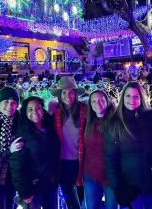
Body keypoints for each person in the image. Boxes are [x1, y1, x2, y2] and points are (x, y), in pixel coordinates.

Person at [104, 81, 152, 208]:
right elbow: (110, 158)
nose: (132, 100)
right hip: (129, 187)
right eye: (128, 96)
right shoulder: (115, 122)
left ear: (141, 98)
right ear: (122, 97)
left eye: (136, 96)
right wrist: (118, 187)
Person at [10, 96, 61, 209]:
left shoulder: (50, 127)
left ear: (43, 109)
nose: (35, 112)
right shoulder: (22, 133)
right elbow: (16, 165)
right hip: (33, 188)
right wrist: (25, 193)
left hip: (51, 184)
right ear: (25, 112)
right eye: (30, 109)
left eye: (38, 108)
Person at [50, 76, 87, 209]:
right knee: (69, 195)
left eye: (71, 92)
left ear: (76, 94)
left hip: (81, 160)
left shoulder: (85, 109)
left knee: (81, 195)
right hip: (63, 161)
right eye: (64, 92)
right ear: (60, 94)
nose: (68, 95)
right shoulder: (55, 111)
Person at [84, 90, 117, 209]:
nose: (97, 103)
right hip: (91, 174)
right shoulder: (87, 121)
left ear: (107, 101)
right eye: (93, 101)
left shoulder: (116, 121)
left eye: (101, 100)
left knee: (111, 207)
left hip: (111, 176)